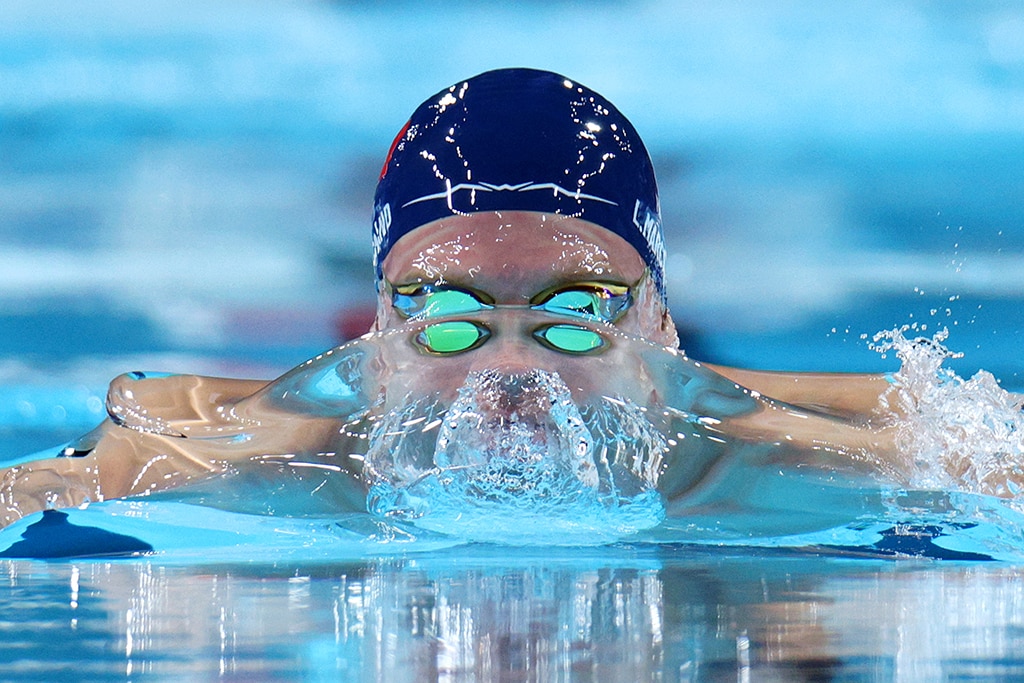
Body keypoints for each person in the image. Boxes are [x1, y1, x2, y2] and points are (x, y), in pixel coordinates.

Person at [0, 68, 905, 530]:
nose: (509, 369)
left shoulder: (799, 458)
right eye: (450, 316)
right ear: (380, 331)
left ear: (660, 324)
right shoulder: (234, 461)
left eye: (577, 312)